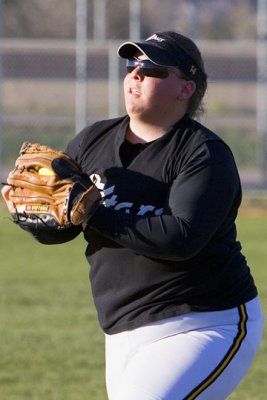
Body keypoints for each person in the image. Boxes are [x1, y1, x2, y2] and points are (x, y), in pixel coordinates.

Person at [17, 31, 266, 399]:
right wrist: (38, 219)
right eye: (132, 65)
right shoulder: (91, 141)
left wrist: (92, 212)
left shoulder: (204, 154)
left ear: (186, 89)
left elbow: (181, 238)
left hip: (205, 322)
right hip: (121, 328)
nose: (136, 74)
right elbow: (65, 226)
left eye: (153, 69)